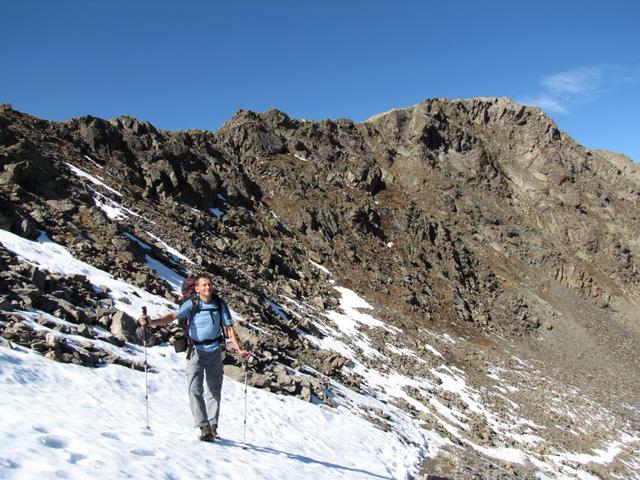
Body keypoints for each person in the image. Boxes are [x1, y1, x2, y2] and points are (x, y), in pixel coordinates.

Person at [138, 273, 250, 441]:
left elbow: (229, 327)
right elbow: (173, 317)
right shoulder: (192, 304)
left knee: (214, 389)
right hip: (196, 351)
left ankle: (212, 426)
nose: (208, 287)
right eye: (204, 285)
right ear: (197, 289)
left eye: (210, 284)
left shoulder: (219, 304)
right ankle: (204, 426)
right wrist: (151, 321)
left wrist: (238, 349)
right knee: (195, 388)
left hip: (214, 351)